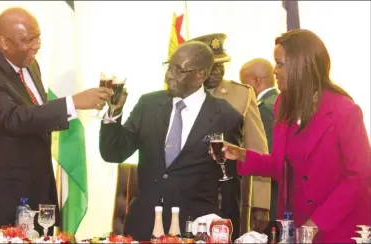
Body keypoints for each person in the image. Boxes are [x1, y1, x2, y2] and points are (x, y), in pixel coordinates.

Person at [214, 29, 371, 243]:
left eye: (279, 64)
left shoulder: (345, 111)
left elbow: (359, 177)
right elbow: (282, 165)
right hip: (296, 228)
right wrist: (241, 155)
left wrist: (316, 223)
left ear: (301, 65)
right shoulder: (282, 105)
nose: (274, 71)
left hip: (340, 229)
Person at [0, 7, 112, 230]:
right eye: (28, 39)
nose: (37, 45)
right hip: (1, 195)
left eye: (38, 37)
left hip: (36, 184)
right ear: (4, 42)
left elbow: (37, 112)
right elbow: (13, 118)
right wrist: (72, 103)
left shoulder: (30, 65)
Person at [99, 41, 244, 241]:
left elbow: (230, 184)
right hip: (144, 225)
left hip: (195, 229)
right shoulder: (148, 105)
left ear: (201, 75)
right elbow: (112, 153)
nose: (168, 76)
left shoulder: (225, 116)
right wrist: (113, 113)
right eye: (169, 67)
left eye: (178, 70)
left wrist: (229, 233)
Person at [189, 33, 270, 237]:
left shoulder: (242, 94)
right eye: (211, 65)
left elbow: (257, 149)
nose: (217, 71)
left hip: (224, 194)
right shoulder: (182, 96)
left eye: (221, 64)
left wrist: (260, 204)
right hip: (187, 191)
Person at [239, 58, 279, 227]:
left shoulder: (264, 109)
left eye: (243, 82)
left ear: (257, 81)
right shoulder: (279, 102)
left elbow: (264, 154)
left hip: (271, 194)